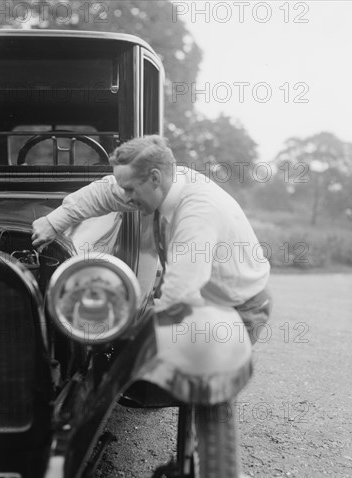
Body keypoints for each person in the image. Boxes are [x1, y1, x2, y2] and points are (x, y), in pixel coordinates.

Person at [32, 134, 271, 341]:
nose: (125, 198)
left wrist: (122, 329)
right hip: (205, 299)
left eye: (130, 190)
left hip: (237, 310)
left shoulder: (197, 214)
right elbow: (104, 192)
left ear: (155, 178)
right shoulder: (166, 183)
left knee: (188, 384)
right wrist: (53, 221)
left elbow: (178, 297)